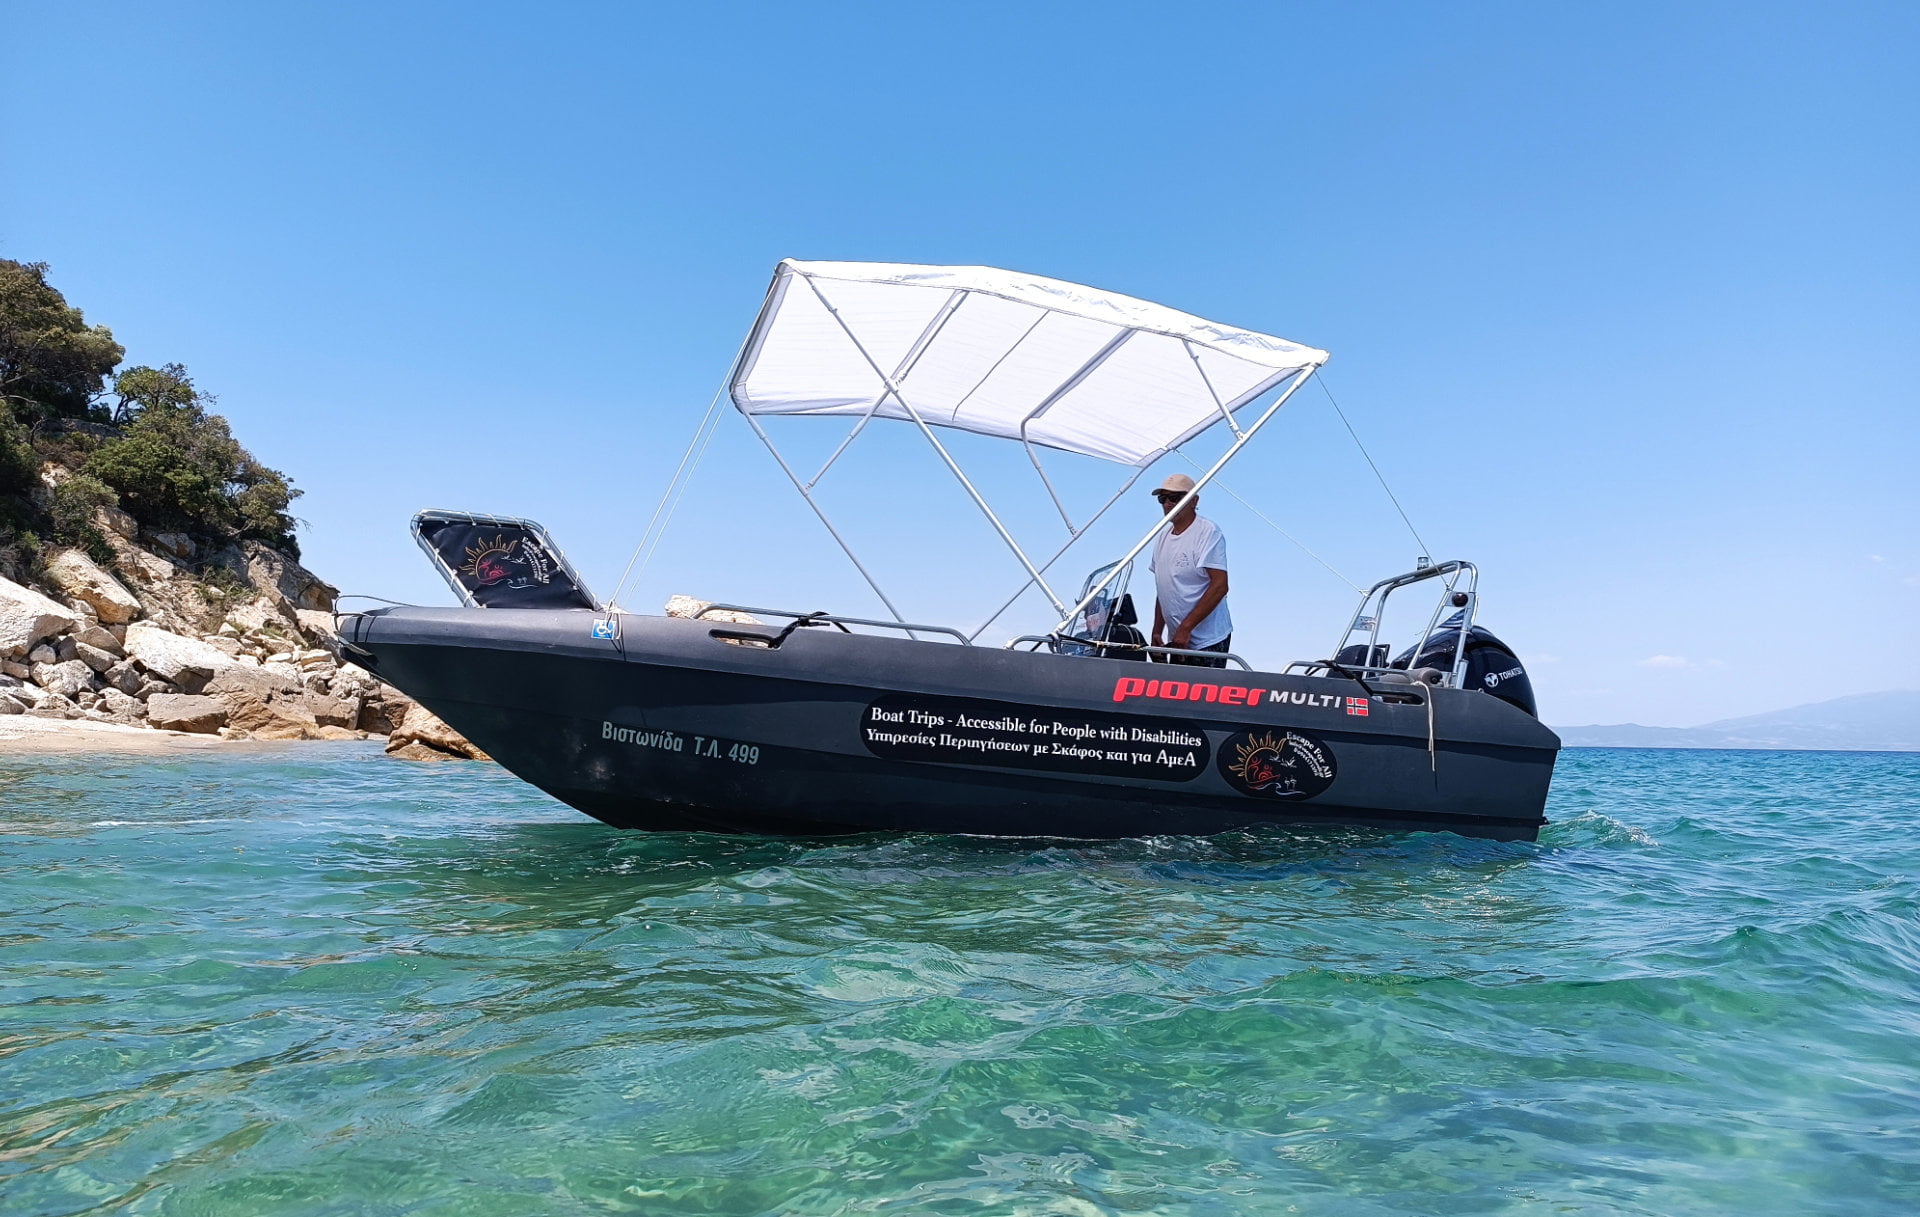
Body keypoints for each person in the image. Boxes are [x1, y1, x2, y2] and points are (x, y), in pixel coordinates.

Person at [1148, 474, 1232, 667]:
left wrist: (1186, 628)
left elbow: (1220, 586)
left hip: (1208, 641)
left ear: (1194, 501)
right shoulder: (1162, 537)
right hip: (1177, 641)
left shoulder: (1208, 532)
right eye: (1163, 499)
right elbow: (1164, 588)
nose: (1168, 504)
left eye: (1175, 498)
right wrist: (1157, 631)